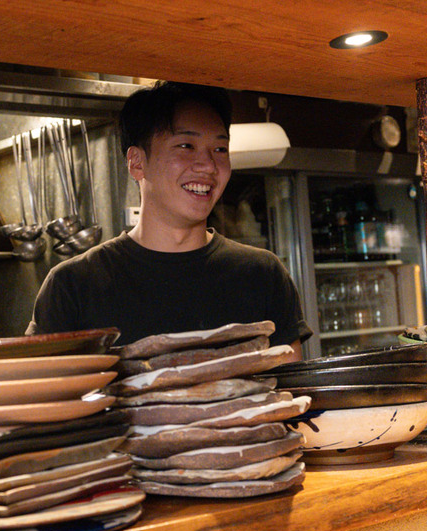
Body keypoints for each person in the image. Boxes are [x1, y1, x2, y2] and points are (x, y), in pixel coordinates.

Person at [28, 81, 311, 356]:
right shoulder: (73, 285)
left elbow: (289, 380)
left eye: (220, 149)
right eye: (186, 145)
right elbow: (42, 385)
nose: (209, 166)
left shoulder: (262, 274)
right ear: (137, 162)